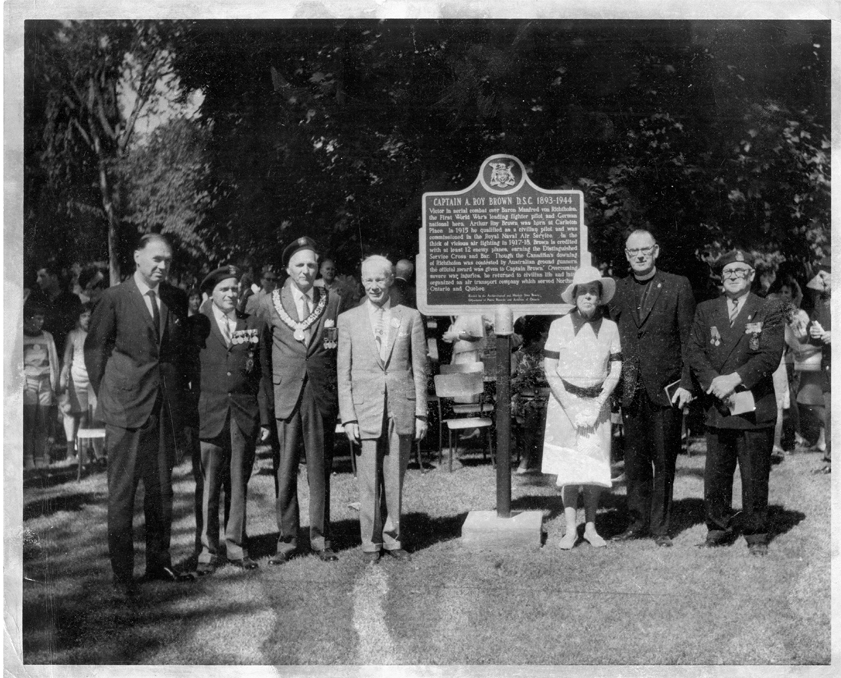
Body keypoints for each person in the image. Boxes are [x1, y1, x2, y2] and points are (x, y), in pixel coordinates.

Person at [84, 233, 194, 597]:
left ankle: (159, 563)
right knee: (123, 494)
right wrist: (108, 396)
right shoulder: (113, 298)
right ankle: (123, 575)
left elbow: (177, 356)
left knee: (162, 491)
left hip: (163, 410)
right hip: (125, 410)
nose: (162, 267)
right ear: (136, 257)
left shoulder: (177, 299)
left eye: (167, 261)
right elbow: (95, 350)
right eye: (156, 260)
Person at [687, 249, 785, 557]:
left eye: (741, 271)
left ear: (752, 275)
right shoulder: (706, 309)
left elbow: (769, 355)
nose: (734, 277)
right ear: (721, 276)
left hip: (753, 404)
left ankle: (756, 532)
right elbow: (695, 351)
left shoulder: (767, 309)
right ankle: (718, 528)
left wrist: (734, 379)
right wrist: (716, 383)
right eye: (728, 272)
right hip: (718, 403)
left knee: (754, 473)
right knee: (717, 473)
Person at [607, 229, 695, 547]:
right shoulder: (616, 289)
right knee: (634, 461)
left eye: (646, 249)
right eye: (634, 251)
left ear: (656, 251)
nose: (640, 255)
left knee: (664, 460)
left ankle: (660, 527)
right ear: (627, 255)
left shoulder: (677, 285)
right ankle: (636, 522)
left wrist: (687, 384)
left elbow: (689, 339)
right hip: (630, 388)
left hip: (666, 388)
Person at [257, 236, 343, 564]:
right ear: (288, 269)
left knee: (319, 469)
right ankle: (287, 541)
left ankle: (321, 539)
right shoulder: (269, 303)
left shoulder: (332, 300)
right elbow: (263, 358)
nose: (306, 271)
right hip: (285, 393)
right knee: (285, 469)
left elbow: (335, 349)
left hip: (319, 394)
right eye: (299, 265)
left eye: (311, 264)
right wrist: (267, 405)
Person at [337, 255, 427, 563]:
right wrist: (348, 416)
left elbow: (419, 369)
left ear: (391, 280)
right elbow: (343, 373)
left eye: (380, 279)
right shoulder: (348, 320)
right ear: (362, 282)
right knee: (367, 481)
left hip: (400, 408)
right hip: (364, 411)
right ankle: (370, 543)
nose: (375, 286)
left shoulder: (410, 317)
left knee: (394, 479)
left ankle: (393, 539)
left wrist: (420, 413)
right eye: (369, 280)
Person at [189, 266, 270, 575]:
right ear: (211, 293)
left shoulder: (253, 324)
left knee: (238, 483)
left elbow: (261, 373)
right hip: (208, 414)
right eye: (224, 289)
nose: (231, 294)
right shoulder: (197, 325)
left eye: (235, 289)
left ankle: (235, 546)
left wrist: (262, 418)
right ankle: (207, 552)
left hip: (242, 415)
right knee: (208, 486)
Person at [541, 266, 622, 550]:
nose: (588, 296)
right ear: (574, 296)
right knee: (570, 469)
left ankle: (591, 527)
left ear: (600, 296)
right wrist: (572, 408)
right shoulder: (559, 326)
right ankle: (569, 529)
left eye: (594, 291)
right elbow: (551, 371)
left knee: (593, 468)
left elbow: (616, 368)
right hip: (565, 407)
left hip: (597, 406)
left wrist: (598, 403)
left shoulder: (610, 328)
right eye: (583, 291)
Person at [59, 302, 104, 465]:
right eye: (83, 316)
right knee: (83, 417)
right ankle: (82, 455)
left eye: (89, 315)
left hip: (93, 380)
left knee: (96, 418)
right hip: (77, 380)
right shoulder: (73, 335)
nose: (87, 319)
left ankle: (99, 454)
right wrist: (62, 383)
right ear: (78, 318)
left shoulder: (97, 334)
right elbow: (66, 360)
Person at [511, 316, 551, 474]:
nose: (540, 346)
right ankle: (528, 458)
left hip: (548, 397)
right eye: (540, 340)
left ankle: (539, 459)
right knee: (533, 410)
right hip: (526, 399)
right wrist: (523, 377)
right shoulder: (519, 356)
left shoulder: (550, 355)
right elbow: (511, 384)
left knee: (543, 410)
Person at [23, 300, 59, 470]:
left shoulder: (47, 337)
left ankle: (40, 458)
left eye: (42, 318)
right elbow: (17, 364)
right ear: (28, 319)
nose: (41, 322)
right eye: (37, 318)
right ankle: (29, 459)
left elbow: (53, 363)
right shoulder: (20, 337)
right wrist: (22, 384)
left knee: (42, 422)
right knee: (29, 423)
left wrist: (54, 385)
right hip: (28, 385)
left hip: (45, 384)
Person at [805, 256, 831, 473]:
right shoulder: (821, 301)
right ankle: (831, 458)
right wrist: (813, 333)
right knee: (831, 411)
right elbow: (814, 331)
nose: (820, 280)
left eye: (824, 276)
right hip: (829, 365)